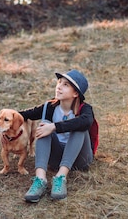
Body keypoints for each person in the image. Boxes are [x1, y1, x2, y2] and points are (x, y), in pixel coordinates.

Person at [18, 69, 95, 202]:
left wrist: (54, 127)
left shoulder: (85, 109)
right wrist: (7, 116)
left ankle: (61, 177)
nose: (59, 86)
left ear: (76, 93)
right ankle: (40, 179)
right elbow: (26, 114)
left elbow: (87, 121)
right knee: (44, 124)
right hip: (55, 159)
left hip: (79, 159)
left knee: (79, 126)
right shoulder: (50, 106)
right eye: (59, 82)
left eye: (65, 85)